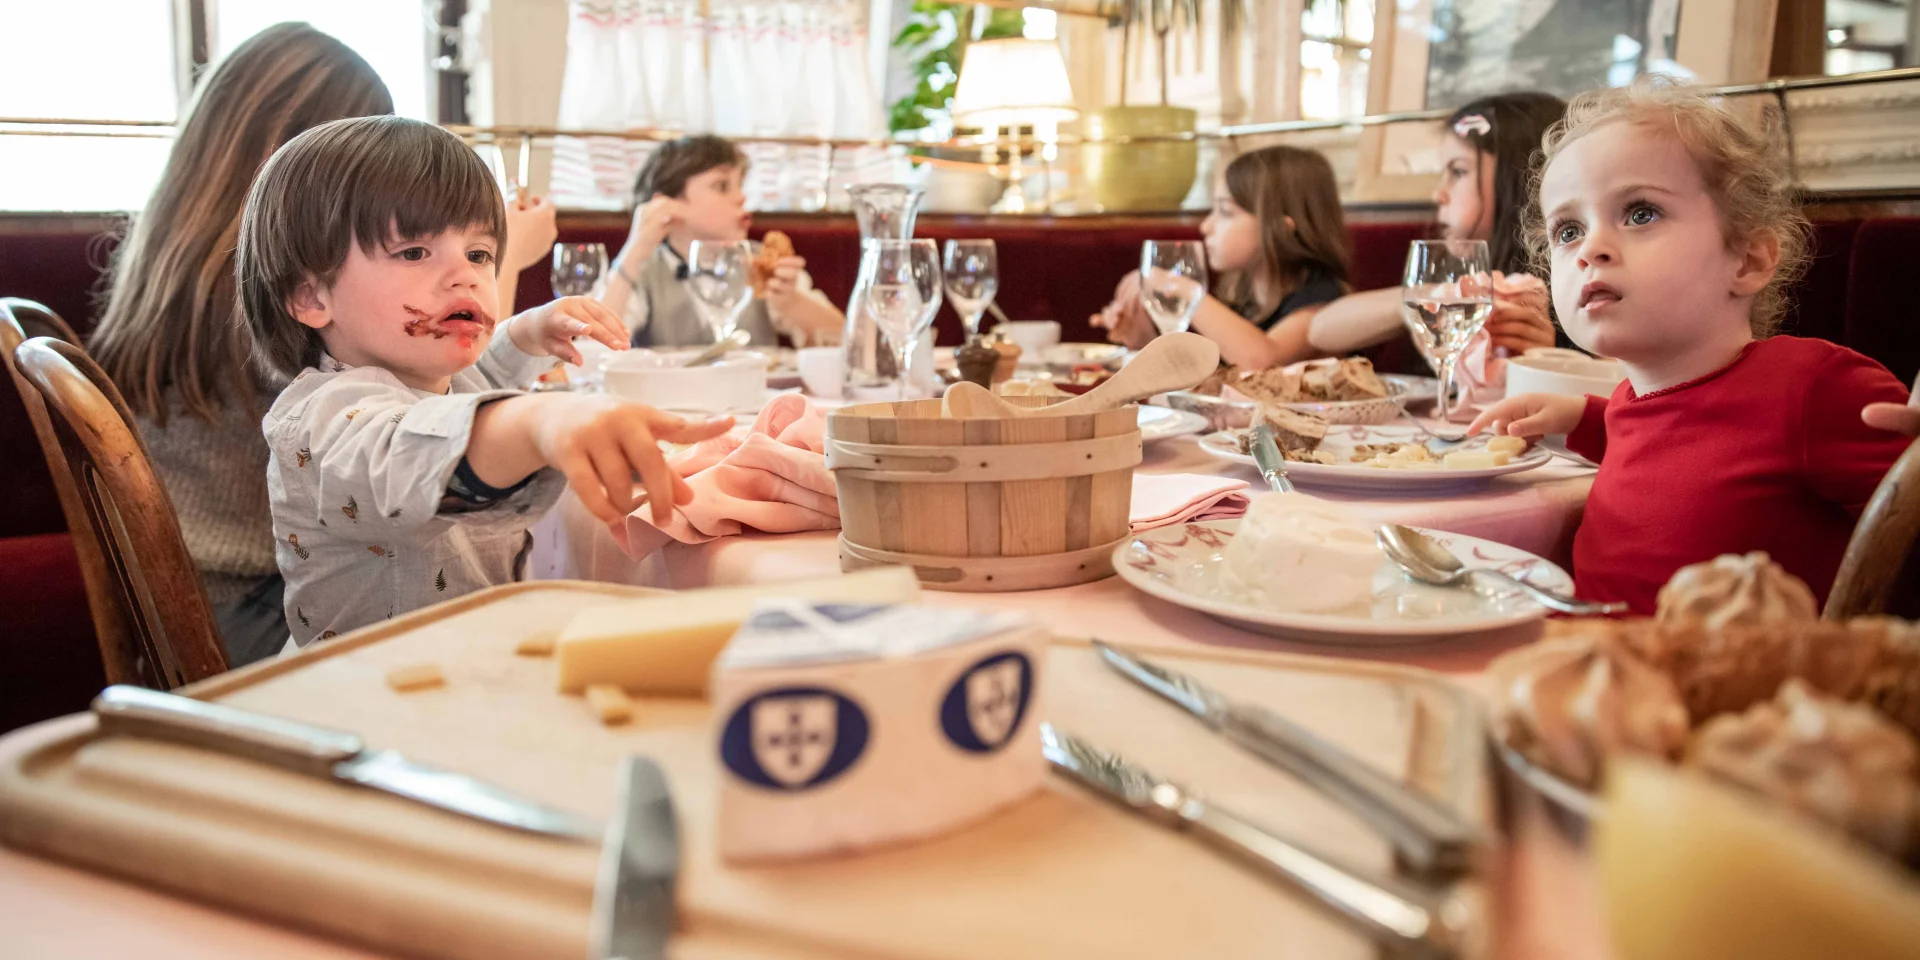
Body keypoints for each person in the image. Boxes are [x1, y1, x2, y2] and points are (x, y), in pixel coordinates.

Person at [86, 23, 558, 666]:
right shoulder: (265, 291)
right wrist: (508, 264)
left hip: (195, 581)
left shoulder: (175, 259)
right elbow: (401, 432)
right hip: (246, 608)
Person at [238, 116, 732, 645]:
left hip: (455, 666)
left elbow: (481, 378)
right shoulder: (323, 418)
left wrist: (525, 332)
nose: (466, 275)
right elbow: (413, 448)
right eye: (413, 252)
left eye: (479, 254)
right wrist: (542, 419)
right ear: (312, 297)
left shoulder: (431, 376)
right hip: (365, 696)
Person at [1466, 78, 1912, 614]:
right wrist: (1584, 418)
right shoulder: (1637, 396)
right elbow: (1685, 452)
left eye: (1640, 213)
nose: (1591, 250)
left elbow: (1905, 514)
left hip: (1718, 686)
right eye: (1567, 231)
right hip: (1597, 670)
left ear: (1746, 259)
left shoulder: (1811, 386)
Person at [1308, 93, 1567, 385]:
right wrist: (1432, 297)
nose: (1438, 194)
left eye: (1457, 171)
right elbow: (1320, 330)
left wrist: (1551, 360)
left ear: (1520, 177)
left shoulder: (1568, 286)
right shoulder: (1457, 269)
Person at [1090, 145, 1352, 370]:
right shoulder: (1239, 294)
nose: (1206, 226)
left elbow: (1261, 361)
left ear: (1280, 229)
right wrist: (1142, 335)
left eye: (1225, 212)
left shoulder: (1322, 299)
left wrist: (1181, 288)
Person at [599, 135, 842, 348]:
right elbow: (595, 345)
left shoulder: (760, 263)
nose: (741, 197)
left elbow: (845, 340)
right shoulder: (643, 269)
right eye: (722, 186)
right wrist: (634, 252)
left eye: (740, 185)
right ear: (666, 204)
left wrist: (791, 302)